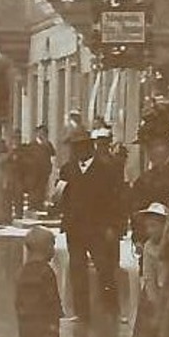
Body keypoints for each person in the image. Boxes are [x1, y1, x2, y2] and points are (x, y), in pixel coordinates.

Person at [57, 127, 126, 321]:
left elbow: (117, 200)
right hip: (75, 228)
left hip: (99, 228)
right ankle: (81, 312)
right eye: (73, 148)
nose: (76, 152)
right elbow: (61, 197)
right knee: (77, 270)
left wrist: (115, 226)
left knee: (105, 269)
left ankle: (112, 310)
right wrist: (60, 206)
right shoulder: (67, 169)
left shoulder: (106, 169)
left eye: (79, 147)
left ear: (88, 147)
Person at [16, 225, 64, 337]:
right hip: (46, 329)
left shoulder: (22, 272)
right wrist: (56, 320)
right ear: (45, 249)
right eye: (52, 246)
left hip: (26, 328)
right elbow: (52, 299)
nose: (53, 251)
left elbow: (18, 301)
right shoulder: (46, 272)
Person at [127, 203, 169, 337]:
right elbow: (148, 274)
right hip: (155, 288)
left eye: (155, 226)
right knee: (153, 326)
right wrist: (154, 297)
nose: (150, 231)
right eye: (148, 226)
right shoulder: (149, 247)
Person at [23, 126, 56, 213]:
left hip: (44, 170)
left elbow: (53, 156)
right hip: (33, 171)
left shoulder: (48, 145)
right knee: (33, 187)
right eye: (40, 133)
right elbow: (27, 157)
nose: (42, 135)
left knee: (42, 187)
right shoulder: (32, 144)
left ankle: (39, 204)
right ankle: (32, 205)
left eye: (44, 133)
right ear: (37, 133)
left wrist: (51, 167)